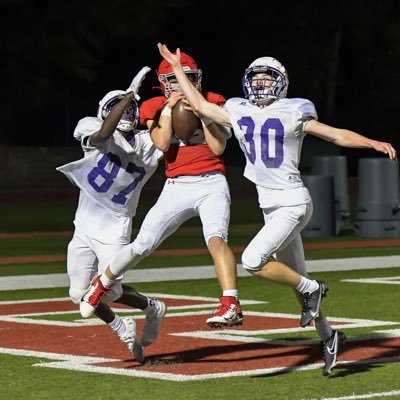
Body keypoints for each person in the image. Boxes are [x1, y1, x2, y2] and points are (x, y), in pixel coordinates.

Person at [156, 43, 397, 376]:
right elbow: (197, 104)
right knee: (301, 290)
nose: (261, 85)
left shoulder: (293, 111)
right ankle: (330, 337)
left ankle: (313, 288)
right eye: (257, 78)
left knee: (254, 261)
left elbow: (335, 135)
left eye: (268, 79)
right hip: (270, 207)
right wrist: (178, 69)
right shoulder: (238, 110)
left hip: (293, 202)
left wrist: (372, 143)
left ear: (281, 83)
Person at [79, 52, 243, 329]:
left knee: (216, 239)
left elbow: (217, 148)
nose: (181, 84)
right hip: (176, 184)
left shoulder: (214, 101)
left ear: (196, 78)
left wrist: (201, 111)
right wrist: (169, 110)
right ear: (165, 84)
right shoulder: (154, 106)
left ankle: (231, 303)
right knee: (143, 243)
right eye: (176, 80)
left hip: (211, 181)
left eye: (188, 78)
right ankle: (101, 284)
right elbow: (163, 143)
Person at [57, 67, 167, 363]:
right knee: (78, 292)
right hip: (84, 223)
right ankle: (121, 326)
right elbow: (104, 133)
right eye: (122, 108)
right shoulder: (91, 126)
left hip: (115, 225)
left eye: (132, 108)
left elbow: (167, 136)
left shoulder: (146, 143)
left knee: (110, 291)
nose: (127, 112)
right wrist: (129, 95)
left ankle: (152, 306)